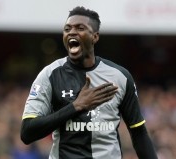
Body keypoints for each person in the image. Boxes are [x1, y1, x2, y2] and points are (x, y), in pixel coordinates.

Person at [20, 6, 158, 159]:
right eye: (67, 29)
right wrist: (75, 106)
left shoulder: (120, 77)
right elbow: (27, 133)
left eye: (80, 28)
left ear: (95, 36)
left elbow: (139, 132)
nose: (72, 32)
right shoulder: (49, 75)